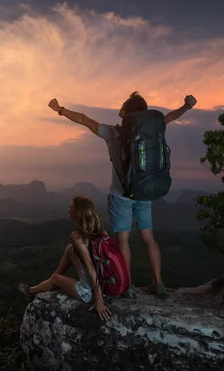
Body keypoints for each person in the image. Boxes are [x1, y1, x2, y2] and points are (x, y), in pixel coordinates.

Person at [47, 92, 197, 299]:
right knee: (149, 238)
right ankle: (159, 283)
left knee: (123, 241)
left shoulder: (113, 133)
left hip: (120, 196)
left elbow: (83, 119)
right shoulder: (154, 128)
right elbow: (171, 116)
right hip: (145, 193)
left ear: (126, 112)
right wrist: (187, 106)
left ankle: (127, 286)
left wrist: (60, 110)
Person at [18, 195, 129, 320]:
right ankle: (50, 284)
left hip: (88, 291)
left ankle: (30, 292)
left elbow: (90, 267)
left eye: (70, 206)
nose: (68, 208)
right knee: (70, 249)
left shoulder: (77, 236)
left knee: (55, 278)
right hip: (104, 283)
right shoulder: (100, 230)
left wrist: (98, 300)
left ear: (77, 212)